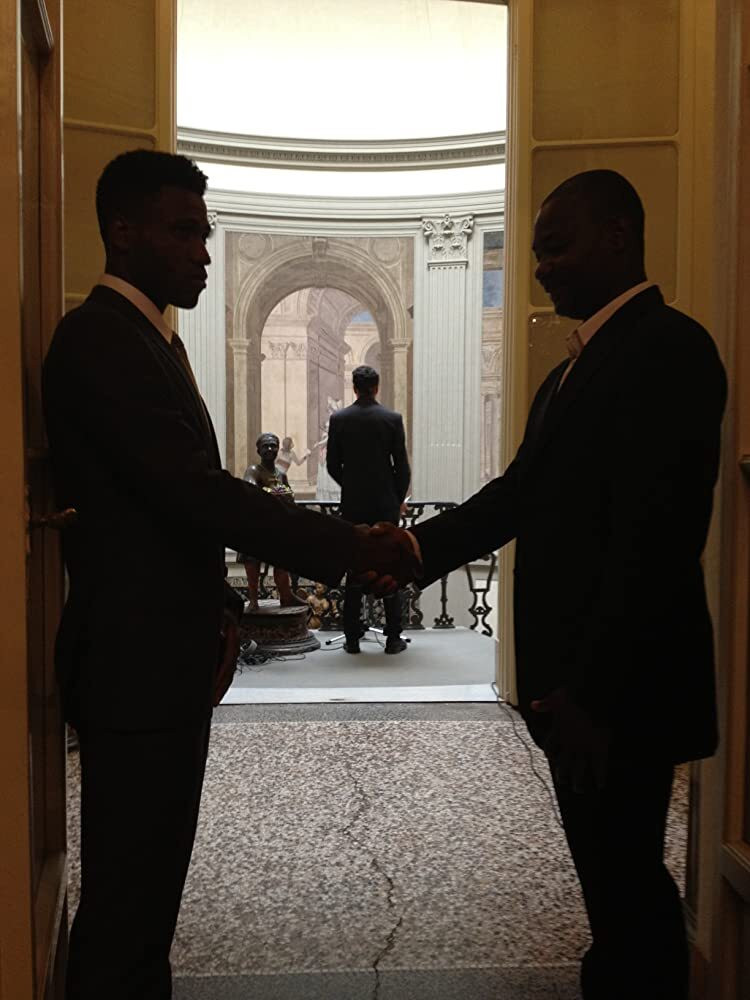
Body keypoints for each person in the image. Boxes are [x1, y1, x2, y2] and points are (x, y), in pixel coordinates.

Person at [42, 149, 416, 1000]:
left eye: (205, 234)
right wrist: (354, 547)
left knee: (149, 892)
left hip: (159, 663)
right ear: (122, 231)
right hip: (133, 668)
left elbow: (173, 504)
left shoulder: (147, 338)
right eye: (183, 232)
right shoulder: (101, 338)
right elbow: (193, 491)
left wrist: (218, 608)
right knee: (128, 900)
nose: (202, 253)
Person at [392, 170, 727, 1000]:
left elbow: (656, 544)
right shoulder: (575, 368)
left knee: (628, 882)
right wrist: (409, 549)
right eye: (538, 251)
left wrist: (592, 694)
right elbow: (519, 495)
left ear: (618, 236)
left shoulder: (670, 348)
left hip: (614, 693)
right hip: (580, 688)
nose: (540, 267)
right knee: (612, 879)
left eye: (556, 246)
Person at [327, 366, 411, 654]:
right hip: (385, 504)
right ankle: (393, 638)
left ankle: (352, 638)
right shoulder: (392, 419)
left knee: (354, 566)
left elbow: (332, 465)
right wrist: (396, 498)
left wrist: (351, 485)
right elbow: (402, 466)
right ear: (376, 387)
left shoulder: (339, 419)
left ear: (354, 388)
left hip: (353, 504)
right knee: (390, 565)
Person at [238, 432, 307, 609]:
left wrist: (281, 495)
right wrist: (274, 493)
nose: (270, 449)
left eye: (273, 446)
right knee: (252, 559)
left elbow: (289, 495)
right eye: (266, 446)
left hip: (276, 524)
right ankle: (253, 599)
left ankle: (286, 595)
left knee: (282, 560)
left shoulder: (281, 474)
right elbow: (250, 488)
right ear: (258, 450)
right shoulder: (254, 470)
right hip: (257, 525)